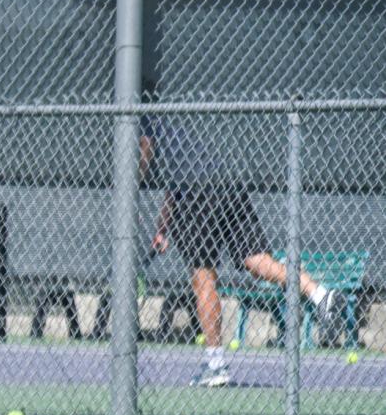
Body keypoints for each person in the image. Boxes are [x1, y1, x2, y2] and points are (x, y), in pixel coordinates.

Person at [139, 113, 341, 386]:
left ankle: (215, 364)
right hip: (229, 185)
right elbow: (176, 181)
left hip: (197, 195)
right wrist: (163, 228)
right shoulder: (184, 122)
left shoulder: (145, 118)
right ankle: (319, 293)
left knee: (203, 278)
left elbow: (147, 155)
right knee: (257, 261)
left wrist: (135, 176)